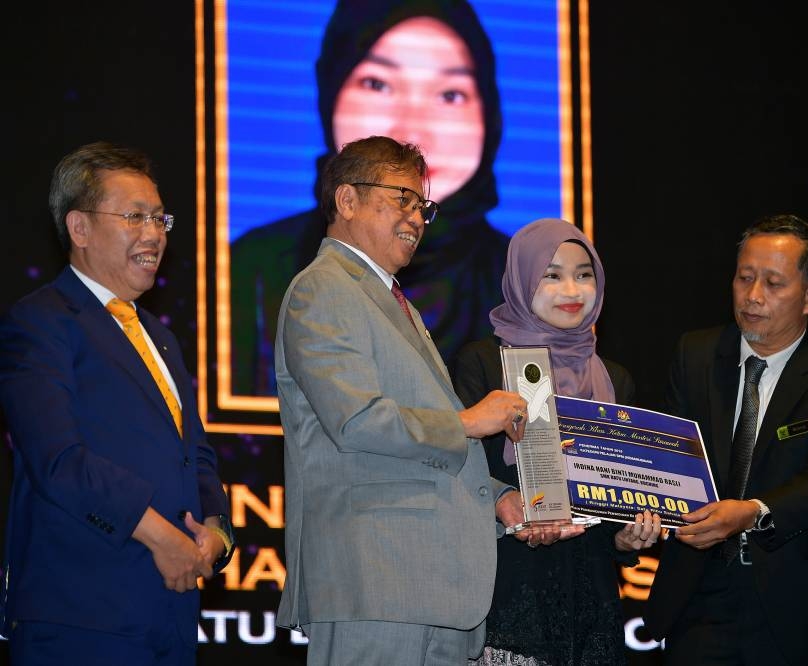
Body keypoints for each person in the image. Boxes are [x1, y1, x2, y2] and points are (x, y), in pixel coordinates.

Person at [275, 135, 535, 665]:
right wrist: (468, 420)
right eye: (402, 199)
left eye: (423, 206)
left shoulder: (392, 301)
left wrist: (498, 498)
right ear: (346, 201)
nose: (417, 219)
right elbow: (357, 420)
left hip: (429, 587)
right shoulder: (322, 289)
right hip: (376, 584)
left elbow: (421, 444)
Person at [0, 141, 235, 665]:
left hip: (170, 616)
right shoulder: (41, 322)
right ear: (79, 228)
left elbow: (194, 455)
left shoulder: (161, 338)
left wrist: (217, 533)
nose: (154, 233)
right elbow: (58, 461)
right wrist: (160, 536)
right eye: (134, 217)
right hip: (83, 616)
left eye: (159, 218)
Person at [231, 0, 507, 396]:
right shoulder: (255, 270)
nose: (413, 126)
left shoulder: (517, 280)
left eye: (450, 94)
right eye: (377, 84)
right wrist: (467, 424)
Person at [642, 214, 808, 666]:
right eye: (744, 278)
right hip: (698, 591)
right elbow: (665, 456)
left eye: (773, 283)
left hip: (790, 600)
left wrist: (750, 514)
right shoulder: (696, 354)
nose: (752, 296)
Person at [452, 217, 663, 665]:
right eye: (552, 275)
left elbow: (609, 500)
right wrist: (505, 502)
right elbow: (456, 469)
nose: (572, 290)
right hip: (505, 596)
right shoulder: (484, 364)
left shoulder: (614, 380)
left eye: (585, 275)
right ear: (521, 278)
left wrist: (626, 539)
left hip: (591, 605)